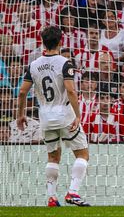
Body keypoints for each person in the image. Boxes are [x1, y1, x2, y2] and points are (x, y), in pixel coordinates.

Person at [15, 26, 90, 207]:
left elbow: (22, 92)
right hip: (64, 114)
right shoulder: (65, 63)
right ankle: (72, 192)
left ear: (43, 42)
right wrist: (78, 116)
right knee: (82, 154)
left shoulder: (33, 65)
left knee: (53, 157)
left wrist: (20, 115)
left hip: (46, 117)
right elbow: (71, 91)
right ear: (60, 41)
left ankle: (51, 197)